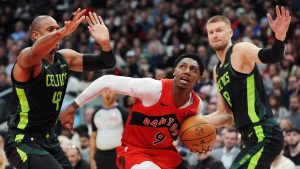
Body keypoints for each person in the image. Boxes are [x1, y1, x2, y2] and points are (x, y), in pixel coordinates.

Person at [4, 8, 116, 169]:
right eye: (50, 30)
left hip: (49, 139)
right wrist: (63, 31)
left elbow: (107, 62)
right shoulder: (27, 59)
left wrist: (105, 43)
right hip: (23, 139)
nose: (57, 33)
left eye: (57, 28)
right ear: (36, 35)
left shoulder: (65, 58)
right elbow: (35, 52)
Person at [60, 53, 205, 169]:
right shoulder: (153, 89)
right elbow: (106, 81)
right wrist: (73, 107)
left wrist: (199, 143)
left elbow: (188, 133)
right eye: (183, 66)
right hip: (135, 151)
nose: (187, 71)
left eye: (193, 69)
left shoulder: (197, 106)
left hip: (165, 153)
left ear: (198, 78)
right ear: (174, 71)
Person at [202, 6, 291, 169]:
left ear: (230, 32)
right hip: (248, 138)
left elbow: (273, 56)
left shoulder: (240, 50)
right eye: (211, 32)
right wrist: (193, 121)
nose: (214, 35)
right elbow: (224, 115)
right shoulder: (217, 70)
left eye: (219, 30)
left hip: (264, 133)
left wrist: (279, 35)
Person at [90, 91, 128, 169]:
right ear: (100, 94)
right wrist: (91, 158)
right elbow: (93, 137)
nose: (107, 94)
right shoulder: (96, 113)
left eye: (110, 92)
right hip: (100, 155)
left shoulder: (123, 112)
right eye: (105, 92)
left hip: (117, 154)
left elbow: (130, 137)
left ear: (116, 93)